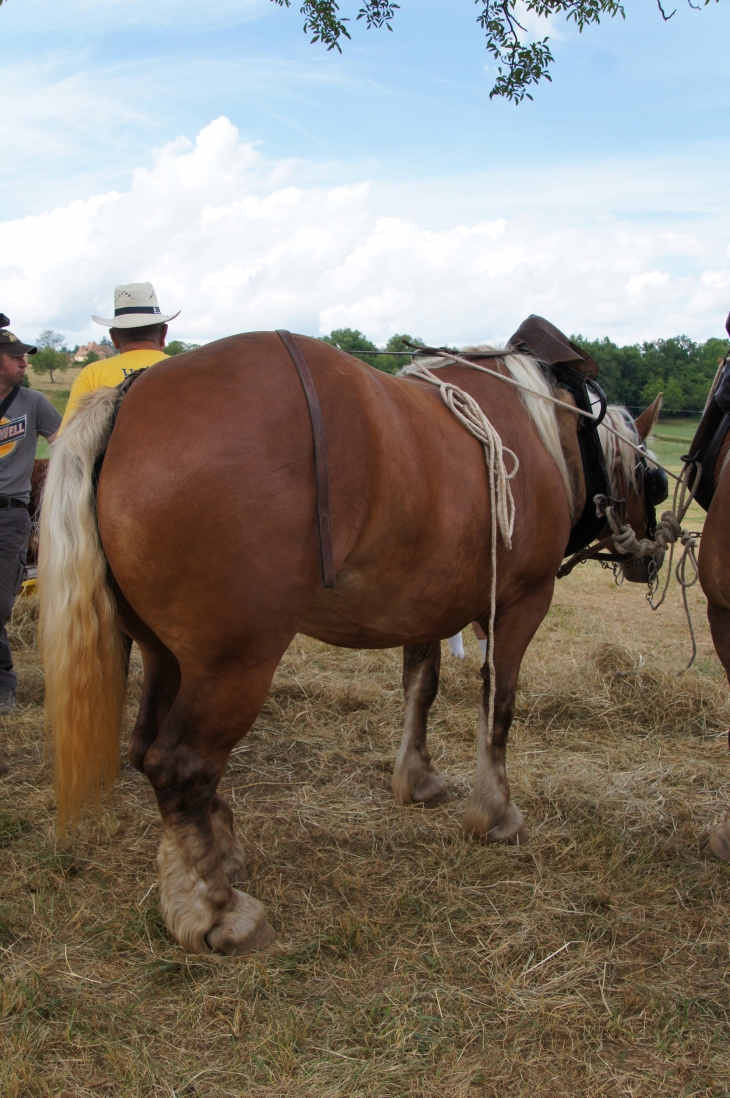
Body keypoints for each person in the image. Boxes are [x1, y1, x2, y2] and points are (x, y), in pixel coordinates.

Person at [0, 323, 62, 712]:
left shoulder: (35, 402)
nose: (25, 362)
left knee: (0, 606)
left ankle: (4, 683)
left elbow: (68, 447)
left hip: (9, 516)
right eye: (16, 356)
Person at [61, 282, 180, 427]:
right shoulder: (183, 371)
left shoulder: (92, 374)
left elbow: (69, 441)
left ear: (114, 338)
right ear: (163, 334)